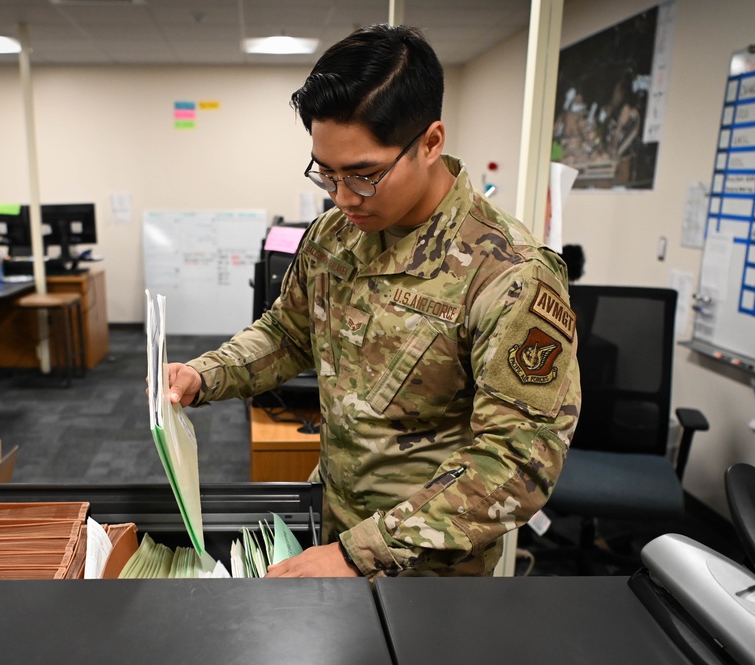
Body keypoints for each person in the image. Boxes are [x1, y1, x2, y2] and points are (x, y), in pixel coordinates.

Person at [167, 24, 580, 577]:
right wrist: (203, 374)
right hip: (331, 527)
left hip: (429, 568)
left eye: (364, 175)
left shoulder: (510, 273)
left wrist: (358, 554)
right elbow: (289, 334)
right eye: (326, 174)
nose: (341, 197)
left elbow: (516, 463)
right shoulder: (333, 236)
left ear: (431, 142)